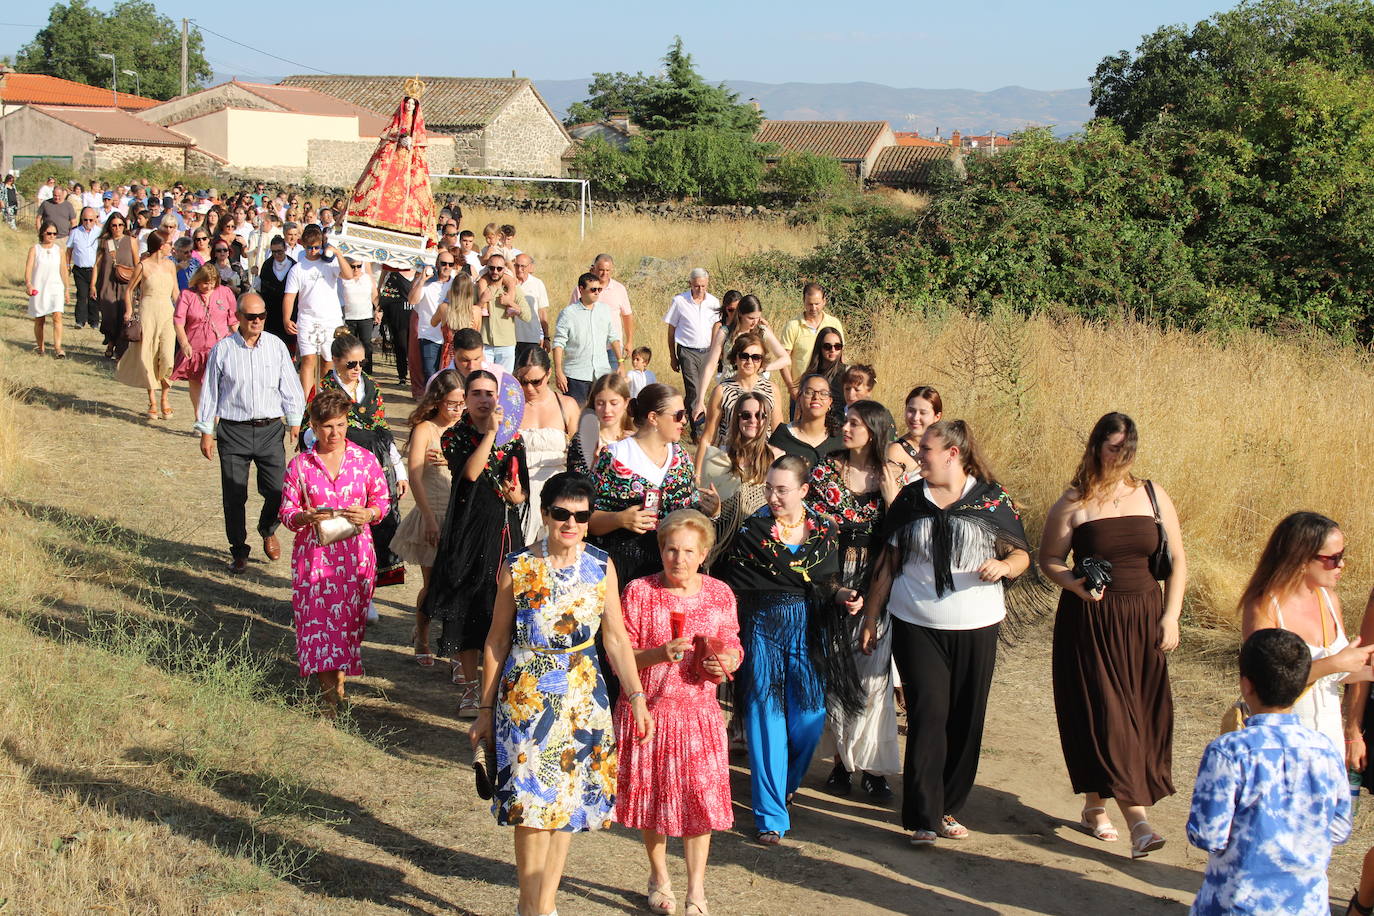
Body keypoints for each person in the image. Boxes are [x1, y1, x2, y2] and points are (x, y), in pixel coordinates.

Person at [468, 472, 652, 916]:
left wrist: (637, 696)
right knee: (531, 805)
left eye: (581, 516)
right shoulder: (518, 567)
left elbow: (616, 639)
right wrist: (485, 709)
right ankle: (531, 907)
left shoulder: (600, 564)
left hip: (583, 697)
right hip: (526, 695)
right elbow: (495, 640)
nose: (570, 523)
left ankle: (543, 904)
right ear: (546, 513)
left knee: (566, 805)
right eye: (561, 514)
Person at [862, 419, 1031, 846]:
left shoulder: (990, 499)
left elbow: (1021, 554)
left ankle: (947, 805)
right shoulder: (910, 499)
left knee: (966, 718)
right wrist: (871, 616)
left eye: (927, 453)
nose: (919, 458)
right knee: (928, 713)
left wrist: (1005, 567)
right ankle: (921, 815)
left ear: (953, 454)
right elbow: (888, 562)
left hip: (976, 624)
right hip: (916, 622)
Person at [1040, 411, 1187, 855]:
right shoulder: (1073, 501)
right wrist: (1074, 585)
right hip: (1092, 621)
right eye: (1113, 446)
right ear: (1096, 446)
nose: (1121, 455)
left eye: (1128, 447)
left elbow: (1177, 560)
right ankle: (1139, 822)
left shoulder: (1153, 495)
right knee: (1108, 713)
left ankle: (1093, 805)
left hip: (1144, 618)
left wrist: (1172, 616)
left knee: (1139, 714)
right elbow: (1049, 560)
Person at [720, 455, 863, 845]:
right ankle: (770, 816)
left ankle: (785, 784)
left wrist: (847, 595)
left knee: (811, 716)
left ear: (803, 490)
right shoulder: (752, 530)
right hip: (762, 627)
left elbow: (826, 583)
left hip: (807, 630)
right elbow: (734, 579)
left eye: (782, 489)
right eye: (769, 487)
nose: (773, 495)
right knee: (765, 721)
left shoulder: (825, 531)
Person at [616, 509, 742, 916]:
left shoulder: (720, 594)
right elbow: (619, 656)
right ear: (660, 549)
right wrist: (658, 654)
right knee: (652, 803)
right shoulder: (638, 591)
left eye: (688, 551)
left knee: (699, 804)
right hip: (648, 714)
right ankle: (659, 878)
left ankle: (696, 891)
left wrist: (724, 662)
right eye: (671, 549)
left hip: (699, 715)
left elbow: (734, 647)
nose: (678, 559)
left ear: (703, 553)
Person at [1187, 628, 1352, 915]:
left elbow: (1207, 834)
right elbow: (1339, 828)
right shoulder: (1325, 751)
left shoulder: (1229, 751)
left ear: (1246, 685)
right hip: (1307, 906)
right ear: (1301, 685)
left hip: (1236, 904)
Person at [808, 401, 902, 800]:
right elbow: (809, 523)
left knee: (874, 676)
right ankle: (843, 764)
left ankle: (875, 768)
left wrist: (889, 489)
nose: (844, 428)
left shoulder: (891, 472)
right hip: (832, 576)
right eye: (844, 421)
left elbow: (904, 529)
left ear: (874, 429)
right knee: (835, 672)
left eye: (854, 423)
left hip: (878, 578)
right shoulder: (826, 468)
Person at [424, 370, 529, 716]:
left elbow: (522, 490)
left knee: (500, 606)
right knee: (466, 607)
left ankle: (497, 687)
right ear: (466, 399)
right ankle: (470, 688)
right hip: (468, 529)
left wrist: (517, 496)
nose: (484, 399)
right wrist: (491, 434)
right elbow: (469, 474)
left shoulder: (515, 439)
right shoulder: (455, 436)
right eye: (477, 393)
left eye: (490, 393)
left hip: (504, 529)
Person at [279, 389, 389, 715]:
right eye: (327, 426)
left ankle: (337, 688)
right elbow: (286, 512)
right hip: (314, 559)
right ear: (313, 425)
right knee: (318, 627)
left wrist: (368, 514)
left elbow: (382, 502)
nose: (335, 433)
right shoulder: (300, 466)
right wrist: (304, 516)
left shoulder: (364, 460)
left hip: (357, 558)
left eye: (341, 425)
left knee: (345, 628)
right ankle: (332, 700)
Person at [1241, 512, 1374, 751]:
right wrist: (1335, 663)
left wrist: (1366, 669)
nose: (1341, 564)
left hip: (1327, 740)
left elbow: (1338, 673)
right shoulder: (1264, 605)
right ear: (1301, 559)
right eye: (1334, 558)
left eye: (1342, 555)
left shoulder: (1329, 600)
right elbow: (1267, 682)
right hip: (1282, 743)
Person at [196, 292, 305, 573]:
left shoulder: (277, 346)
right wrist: (206, 430)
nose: (257, 321)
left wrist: (295, 420)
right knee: (234, 494)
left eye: (261, 316)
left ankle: (268, 528)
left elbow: (290, 384)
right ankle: (239, 549)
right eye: (251, 317)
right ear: (238, 318)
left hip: (269, 429)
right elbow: (210, 391)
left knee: (279, 490)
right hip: (234, 430)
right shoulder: (223, 350)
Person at [588, 383, 720, 589]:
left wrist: (712, 510)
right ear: (653, 418)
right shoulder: (615, 456)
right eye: (678, 415)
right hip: (629, 568)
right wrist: (620, 519)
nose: (684, 420)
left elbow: (692, 513)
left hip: (677, 569)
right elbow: (587, 518)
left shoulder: (682, 456)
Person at [306, 332, 410, 590]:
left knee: (378, 521)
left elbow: (383, 430)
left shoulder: (371, 386)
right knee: (346, 524)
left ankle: (371, 585)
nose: (357, 369)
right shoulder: (323, 390)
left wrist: (399, 470)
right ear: (335, 360)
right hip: (341, 464)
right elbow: (311, 432)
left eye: (361, 363)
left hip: (376, 463)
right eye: (351, 364)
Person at [392, 371, 464, 665]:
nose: (457, 410)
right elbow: (416, 477)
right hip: (432, 512)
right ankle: (422, 635)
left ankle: (455, 648)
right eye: (452, 403)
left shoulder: (466, 427)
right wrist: (429, 520)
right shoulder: (425, 429)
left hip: (461, 516)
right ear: (438, 400)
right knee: (434, 585)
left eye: (461, 403)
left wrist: (453, 459)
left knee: (458, 586)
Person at [701, 392, 781, 565]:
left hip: (762, 552)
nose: (753, 420)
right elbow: (704, 516)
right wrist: (715, 512)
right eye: (746, 415)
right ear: (737, 419)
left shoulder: (777, 459)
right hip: (723, 551)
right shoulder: (717, 458)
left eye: (760, 415)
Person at [514, 347, 579, 544]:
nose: (529, 389)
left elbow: (579, 456)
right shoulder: (511, 407)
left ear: (549, 373)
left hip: (559, 493)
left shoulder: (567, 405)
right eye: (523, 382)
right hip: (520, 493)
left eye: (536, 382)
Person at [281, 227, 356, 396]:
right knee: (308, 359)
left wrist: (337, 253)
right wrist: (286, 319)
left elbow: (349, 275)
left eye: (316, 247)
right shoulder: (297, 269)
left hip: (330, 320)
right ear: (303, 246)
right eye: (309, 248)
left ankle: (324, 397)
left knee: (328, 361)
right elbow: (289, 297)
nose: (313, 251)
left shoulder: (330, 263)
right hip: (307, 320)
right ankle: (306, 401)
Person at [693, 294, 790, 418]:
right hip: (729, 388)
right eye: (750, 318)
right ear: (740, 314)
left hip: (756, 388)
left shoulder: (762, 331)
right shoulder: (725, 332)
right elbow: (710, 365)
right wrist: (700, 400)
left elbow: (785, 359)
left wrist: (764, 367)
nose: (755, 322)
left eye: (758, 317)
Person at [693, 333, 778, 473]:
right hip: (729, 461)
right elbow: (708, 436)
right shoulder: (722, 390)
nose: (750, 362)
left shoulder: (772, 390)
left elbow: (777, 433)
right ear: (736, 358)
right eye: (744, 356)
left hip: (762, 461)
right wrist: (697, 474)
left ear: (762, 361)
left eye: (756, 357)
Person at [117, 230, 179, 420]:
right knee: (148, 355)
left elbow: (176, 292)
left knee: (168, 356)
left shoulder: (170, 266)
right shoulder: (143, 266)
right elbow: (128, 291)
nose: (171, 246)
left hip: (167, 313)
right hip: (148, 311)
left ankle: (165, 398)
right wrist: (129, 310)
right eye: (169, 243)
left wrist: (184, 313)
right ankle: (152, 400)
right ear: (161, 245)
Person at [171, 263, 238, 414]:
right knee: (195, 382)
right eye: (205, 282)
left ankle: (216, 418)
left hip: (219, 347)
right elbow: (178, 322)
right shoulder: (187, 295)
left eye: (212, 282)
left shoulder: (225, 292)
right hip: (195, 347)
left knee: (219, 383)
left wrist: (242, 341)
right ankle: (199, 416)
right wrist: (184, 343)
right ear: (197, 280)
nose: (208, 286)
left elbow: (233, 320)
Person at [663, 268, 719, 437]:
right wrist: (673, 356)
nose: (700, 290)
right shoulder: (680, 301)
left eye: (703, 286)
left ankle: (686, 417)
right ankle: (699, 430)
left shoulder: (714, 303)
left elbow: (718, 329)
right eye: (696, 286)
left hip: (708, 351)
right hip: (687, 351)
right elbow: (671, 330)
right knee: (694, 389)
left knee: (701, 389)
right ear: (690, 284)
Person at [553, 272, 623, 405]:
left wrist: (621, 363)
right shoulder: (568, 313)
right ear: (581, 289)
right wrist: (558, 371)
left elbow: (613, 337)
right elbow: (558, 343)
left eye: (599, 289)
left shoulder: (604, 310)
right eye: (593, 289)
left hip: (602, 373)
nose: (597, 293)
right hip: (576, 375)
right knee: (576, 417)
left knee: (601, 415)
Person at [780, 283, 844, 415]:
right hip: (803, 391)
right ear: (804, 301)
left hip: (830, 390)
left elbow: (841, 355)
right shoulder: (793, 326)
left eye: (817, 303)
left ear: (824, 301)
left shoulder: (834, 323)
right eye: (809, 304)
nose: (813, 308)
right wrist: (792, 389)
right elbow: (784, 361)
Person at [570, 254, 634, 370]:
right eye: (601, 270)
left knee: (612, 384)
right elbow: (572, 315)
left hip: (613, 348)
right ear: (593, 268)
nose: (605, 273)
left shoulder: (619, 289)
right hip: (588, 347)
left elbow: (627, 315)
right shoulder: (581, 289)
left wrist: (629, 341)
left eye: (608, 270)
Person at [567, 372, 635, 476]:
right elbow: (575, 485)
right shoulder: (582, 440)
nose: (607, 410)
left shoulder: (636, 440)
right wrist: (595, 466)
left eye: (614, 403)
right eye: (600, 403)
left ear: (626, 402)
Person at [407, 254, 457, 392]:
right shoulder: (426, 284)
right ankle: (432, 402)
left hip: (450, 337)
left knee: (448, 374)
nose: (447, 267)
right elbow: (412, 300)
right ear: (437, 264)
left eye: (450, 264)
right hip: (429, 335)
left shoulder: (456, 284)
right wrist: (422, 279)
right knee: (430, 373)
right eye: (444, 263)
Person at [769, 374, 842, 466]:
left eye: (823, 393)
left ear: (830, 402)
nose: (816, 397)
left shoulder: (839, 439)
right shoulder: (782, 436)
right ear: (799, 399)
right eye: (809, 392)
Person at [94, 210, 137, 359]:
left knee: (124, 316)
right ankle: (111, 340)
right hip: (107, 283)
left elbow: (137, 264)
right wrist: (93, 285)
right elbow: (97, 265)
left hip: (126, 284)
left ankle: (119, 350)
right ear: (109, 226)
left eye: (120, 225)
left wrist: (138, 284)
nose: (117, 228)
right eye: (114, 225)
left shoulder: (131, 241)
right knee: (109, 315)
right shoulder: (105, 242)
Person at [477, 253, 529, 369]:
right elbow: (469, 314)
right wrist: (481, 301)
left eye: (499, 268)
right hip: (485, 345)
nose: (495, 271)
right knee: (485, 381)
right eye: (491, 268)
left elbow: (527, 316)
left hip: (506, 346)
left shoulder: (513, 289)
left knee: (504, 382)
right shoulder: (479, 288)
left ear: (504, 269)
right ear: (487, 268)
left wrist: (510, 303)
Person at [26, 222, 68, 358]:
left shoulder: (59, 251)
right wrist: (28, 284)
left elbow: (63, 270)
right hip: (39, 287)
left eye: (54, 234)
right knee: (40, 318)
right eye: (49, 233)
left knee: (57, 316)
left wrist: (67, 289)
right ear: (42, 233)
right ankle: (41, 347)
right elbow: (28, 269)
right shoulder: (35, 249)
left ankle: (58, 348)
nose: (52, 236)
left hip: (55, 287)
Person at [887, 386, 943, 486]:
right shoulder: (896, 451)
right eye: (911, 410)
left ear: (937, 416)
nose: (915, 417)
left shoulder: (946, 447)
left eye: (923, 413)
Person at [801, 327, 847, 430]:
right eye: (827, 346)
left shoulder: (847, 373)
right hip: (812, 429)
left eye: (837, 346)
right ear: (819, 348)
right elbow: (800, 409)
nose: (833, 350)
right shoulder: (809, 376)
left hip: (839, 429)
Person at [377, 265, 417, 386]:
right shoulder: (394, 275)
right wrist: (380, 310)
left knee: (415, 348)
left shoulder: (421, 274)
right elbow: (387, 296)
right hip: (398, 316)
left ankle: (415, 376)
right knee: (401, 346)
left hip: (416, 316)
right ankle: (402, 375)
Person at [339, 259, 379, 373]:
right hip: (348, 317)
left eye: (359, 266)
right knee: (349, 346)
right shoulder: (342, 279)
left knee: (366, 344)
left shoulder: (367, 278)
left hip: (365, 316)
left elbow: (374, 295)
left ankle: (367, 372)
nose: (356, 269)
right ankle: (350, 370)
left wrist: (377, 310)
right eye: (352, 266)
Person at [258, 236, 296, 351]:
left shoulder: (294, 266)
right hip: (271, 314)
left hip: (289, 312)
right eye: (273, 252)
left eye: (279, 251)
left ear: (285, 248)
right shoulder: (267, 266)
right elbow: (263, 289)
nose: (276, 255)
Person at [512, 253, 550, 365]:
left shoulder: (537, 284)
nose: (519, 269)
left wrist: (546, 337)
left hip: (531, 337)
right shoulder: (508, 282)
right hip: (511, 338)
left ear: (530, 267)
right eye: (517, 265)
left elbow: (542, 312)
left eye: (523, 266)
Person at [66, 207, 101, 331]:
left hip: (95, 269)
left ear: (95, 219)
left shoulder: (100, 232)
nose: (88, 222)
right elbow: (69, 249)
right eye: (85, 220)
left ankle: (94, 321)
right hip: (80, 269)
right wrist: (67, 265)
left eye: (91, 220)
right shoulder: (75, 232)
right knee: (81, 295)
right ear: (82, 219)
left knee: (94, 295)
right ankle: (80, 320)